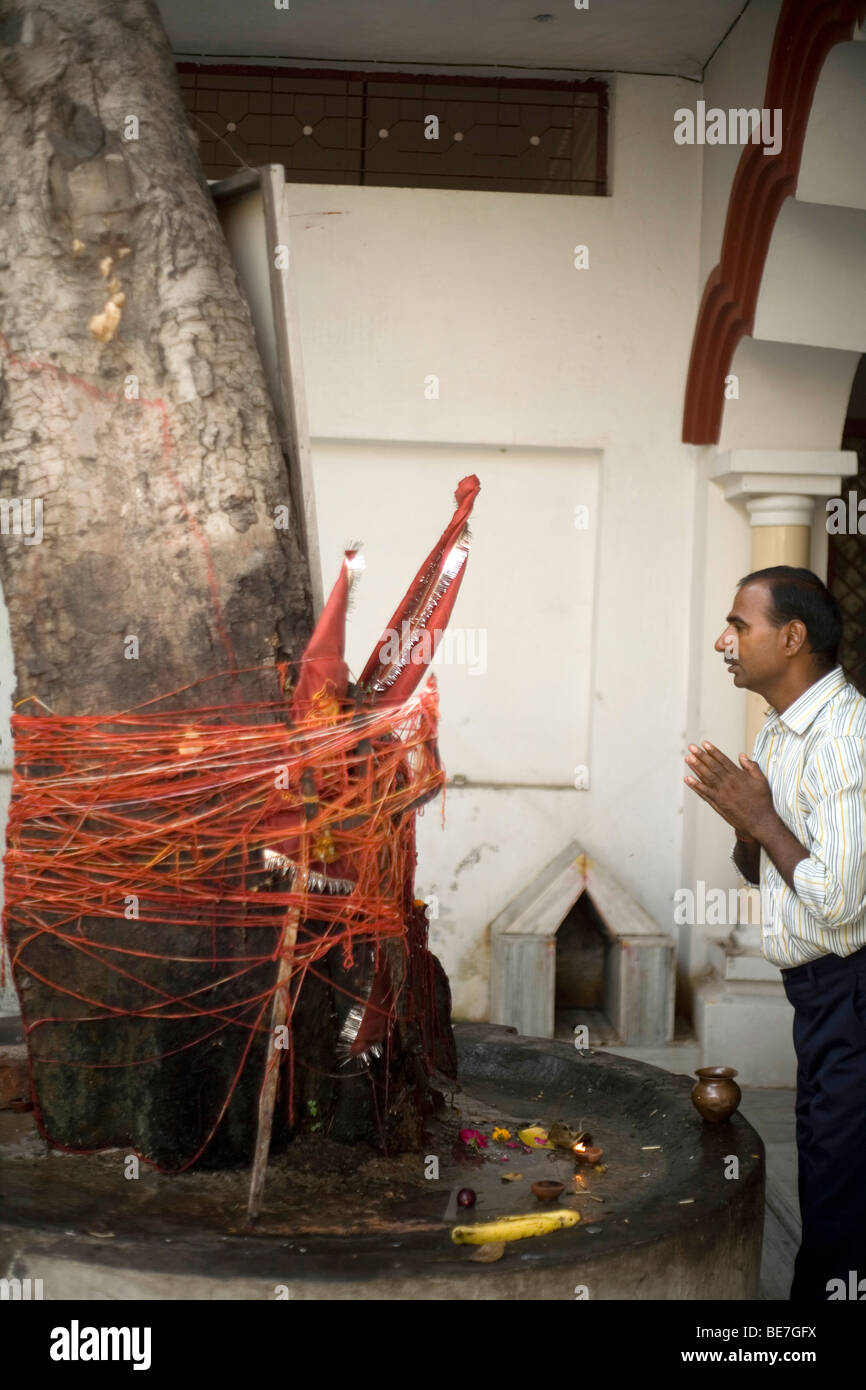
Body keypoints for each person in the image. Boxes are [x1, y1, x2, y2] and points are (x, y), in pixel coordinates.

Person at [683, 565, 866, 1302]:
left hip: (853, 988)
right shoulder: (782, 729)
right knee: (832, 1171)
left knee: (840, 1193)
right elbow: (775, 872)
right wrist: (746, 826)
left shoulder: (845, 742)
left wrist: (760, 819)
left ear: (791, 638)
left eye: (740, 625)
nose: (723, 641)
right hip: (820, 995)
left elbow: (840, 901)